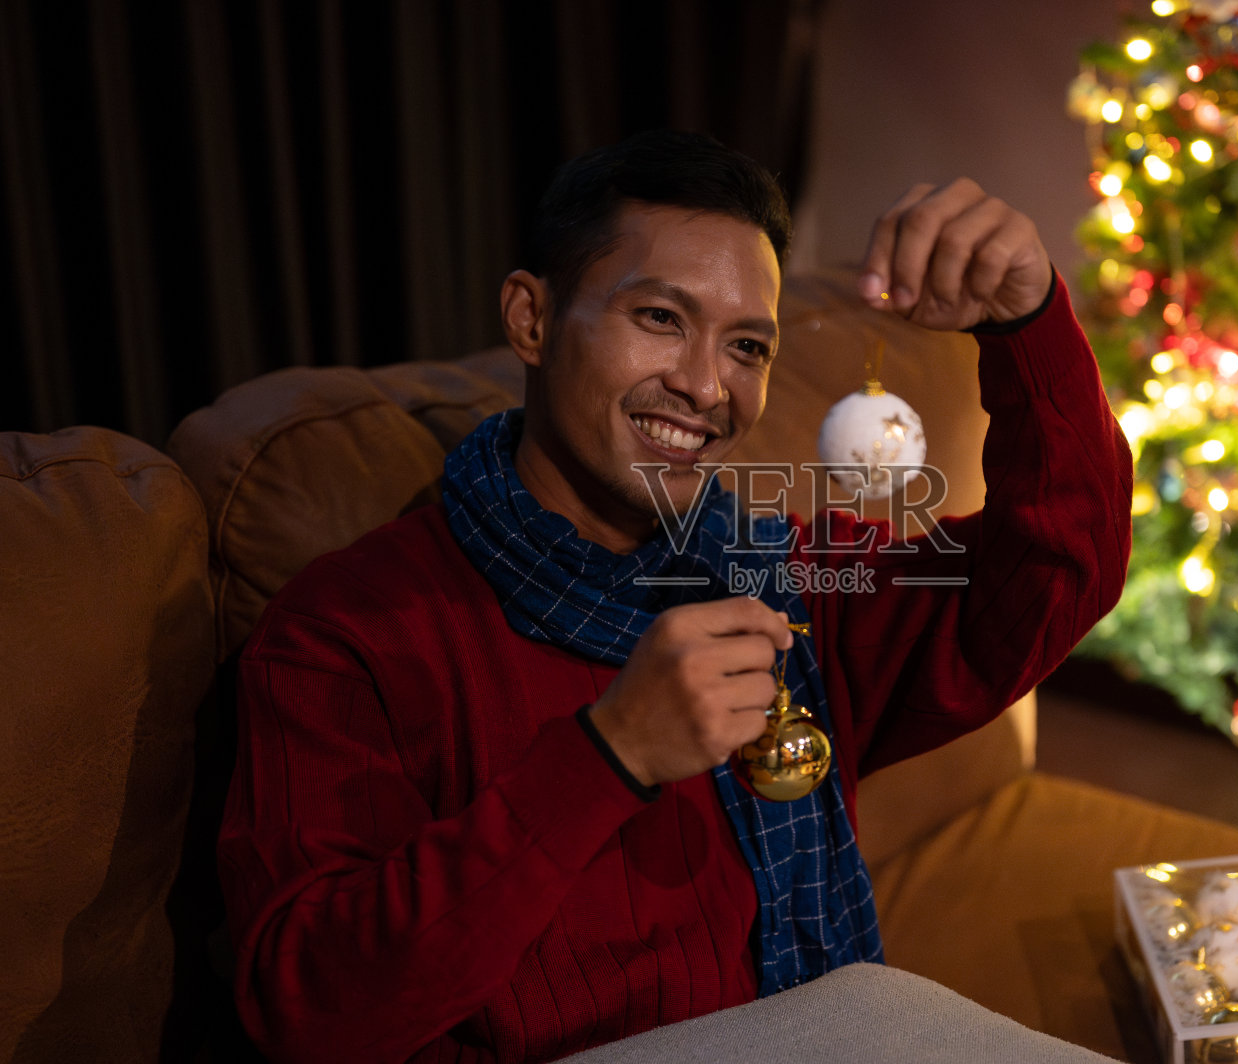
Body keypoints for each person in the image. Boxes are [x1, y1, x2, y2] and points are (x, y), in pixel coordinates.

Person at [218, 129, 1132, 1063]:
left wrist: (1029, 321)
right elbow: (310, 1010)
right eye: (660, 318)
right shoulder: (347, 632)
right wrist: (609, 755)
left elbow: (1059, 574)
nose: (705, 386)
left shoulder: (786, 579)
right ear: (531, 318)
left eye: (746, 345)